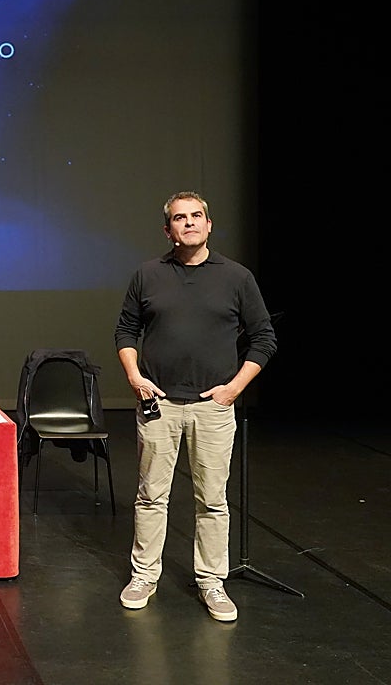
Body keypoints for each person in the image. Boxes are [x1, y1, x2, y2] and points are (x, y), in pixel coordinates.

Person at [114, 191, 277, 622]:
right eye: (179, 218)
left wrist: (232, 390)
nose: (189, 223)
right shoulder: (147, 275)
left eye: (197, 216)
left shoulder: (237, 277)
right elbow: (126, 331)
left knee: (213, 500)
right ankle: (144, 576)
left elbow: (264, 338)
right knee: (151, 496)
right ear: (167, 229)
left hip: (212, 408)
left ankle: (212, 581)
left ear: (209, 225)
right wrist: (135, 377)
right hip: (159, 405)